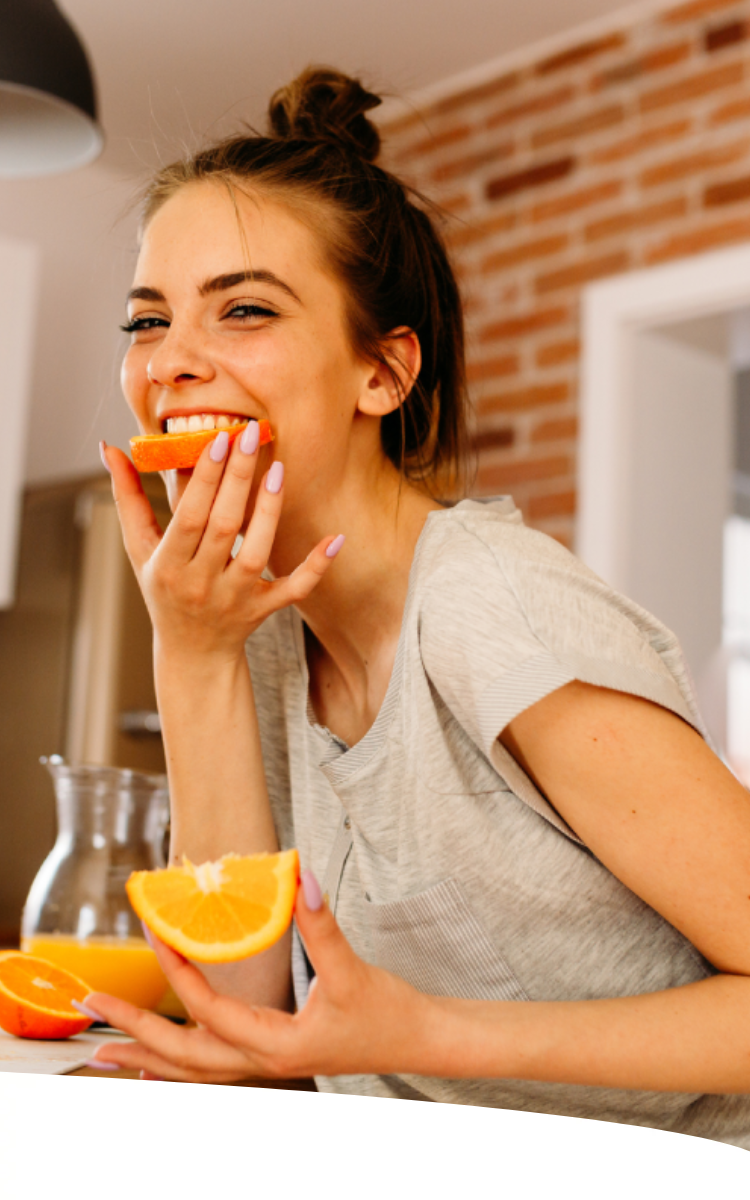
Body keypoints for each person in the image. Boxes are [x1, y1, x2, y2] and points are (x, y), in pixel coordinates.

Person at [85, 67, 750, 1148]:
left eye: (243, 309)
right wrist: (192, 654)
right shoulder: (254, 631)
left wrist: (419, 1032)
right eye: (147, 319)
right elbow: (243, 1010)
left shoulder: (493, 604)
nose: (172, 363)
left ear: (383, 375)